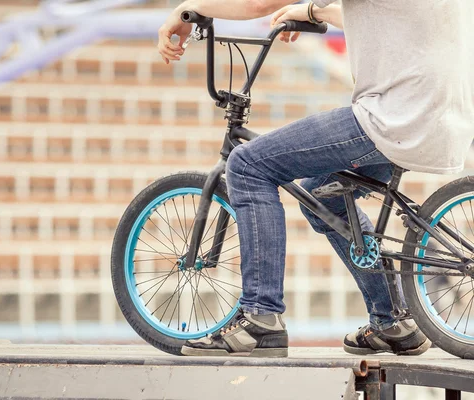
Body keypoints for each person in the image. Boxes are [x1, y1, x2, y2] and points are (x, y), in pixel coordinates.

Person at [157, 0, 474, 357]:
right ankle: (391, 323)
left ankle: (261, 319)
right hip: (444, 121)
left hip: (394, 118)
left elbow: (259, 3)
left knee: (247, 164)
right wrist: (311, 12)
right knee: (324, 196)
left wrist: (188, 9)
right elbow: (377, 17)